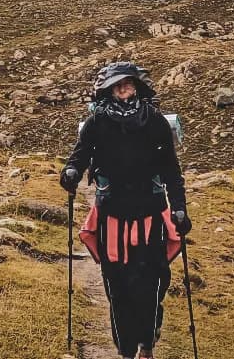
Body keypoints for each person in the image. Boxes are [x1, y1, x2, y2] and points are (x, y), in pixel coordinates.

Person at [61, 61, 190, 359]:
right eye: (117, 85)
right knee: (117, 289)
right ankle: (127, 351)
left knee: (153, 284)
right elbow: (78, 158)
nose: (123, 88)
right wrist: (70, 173)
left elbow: (172, 170)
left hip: (150, 217)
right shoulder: (97, 124)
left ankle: (148, 343)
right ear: (107, 91)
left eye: (128, 83)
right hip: (112, 218)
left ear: (137, 86)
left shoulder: (155, 122)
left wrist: (179, 209)